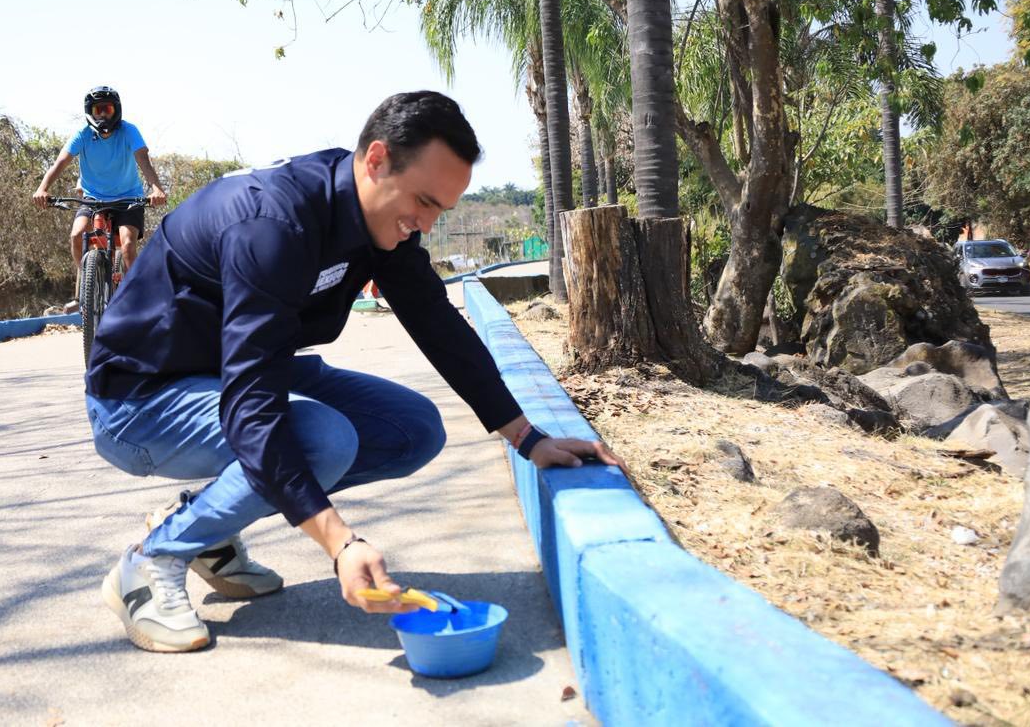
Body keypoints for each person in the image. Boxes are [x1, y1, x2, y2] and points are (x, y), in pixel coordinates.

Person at [86, 91, 626, 653]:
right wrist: (341, 543)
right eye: (422, 201)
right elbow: (252, 410)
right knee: (321, 438)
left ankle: (206, 529)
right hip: (139, 398)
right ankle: (152, 560)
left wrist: (526, 436)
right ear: (375, 160)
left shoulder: (381, 222)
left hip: (228, 375)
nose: (426, 224)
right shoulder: (272, 224)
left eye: (441, 209)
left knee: (410, 428)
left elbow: (436, 321)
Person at [32, 86, 169, 298]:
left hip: (128, 197)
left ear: (117, 110)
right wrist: (42, 188)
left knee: (127, 245)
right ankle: (87, 285)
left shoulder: (129, 131)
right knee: (77, 235)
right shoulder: (83, 135)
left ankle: (138, 298)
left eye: (108, 109)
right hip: (92, 198)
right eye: (98, 110)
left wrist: (157, 188)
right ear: (90, 112)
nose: (103, 115)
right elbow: (60, 162)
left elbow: (143, 159)